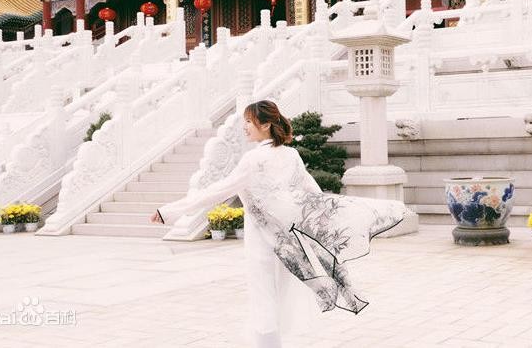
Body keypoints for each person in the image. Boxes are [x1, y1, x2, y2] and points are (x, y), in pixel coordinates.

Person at [150, 100, 405, 347]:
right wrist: (329, 219)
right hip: (288, 240)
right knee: (279, 296)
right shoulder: (291, 154)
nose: (245, 127)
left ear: (266, 124)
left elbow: (217, 191)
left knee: (263, 296)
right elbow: (314, 193)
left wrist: (169, 211)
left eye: (249, 121)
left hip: (262, 240)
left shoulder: (254, 160)